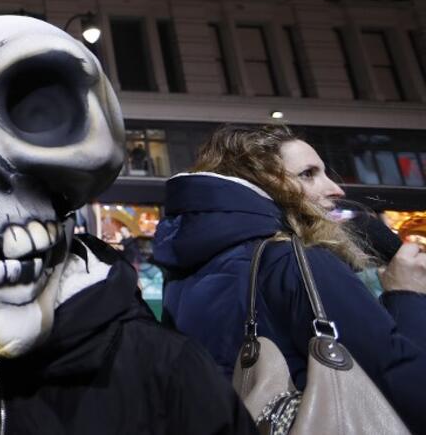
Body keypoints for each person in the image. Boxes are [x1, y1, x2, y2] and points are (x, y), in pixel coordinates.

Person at [153, 124, 426, 432]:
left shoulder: (185, 269)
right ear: (263, 183)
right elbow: (403, 384)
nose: (337, 190)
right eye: (308, 174)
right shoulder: (295, 261)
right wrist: (407, 295)